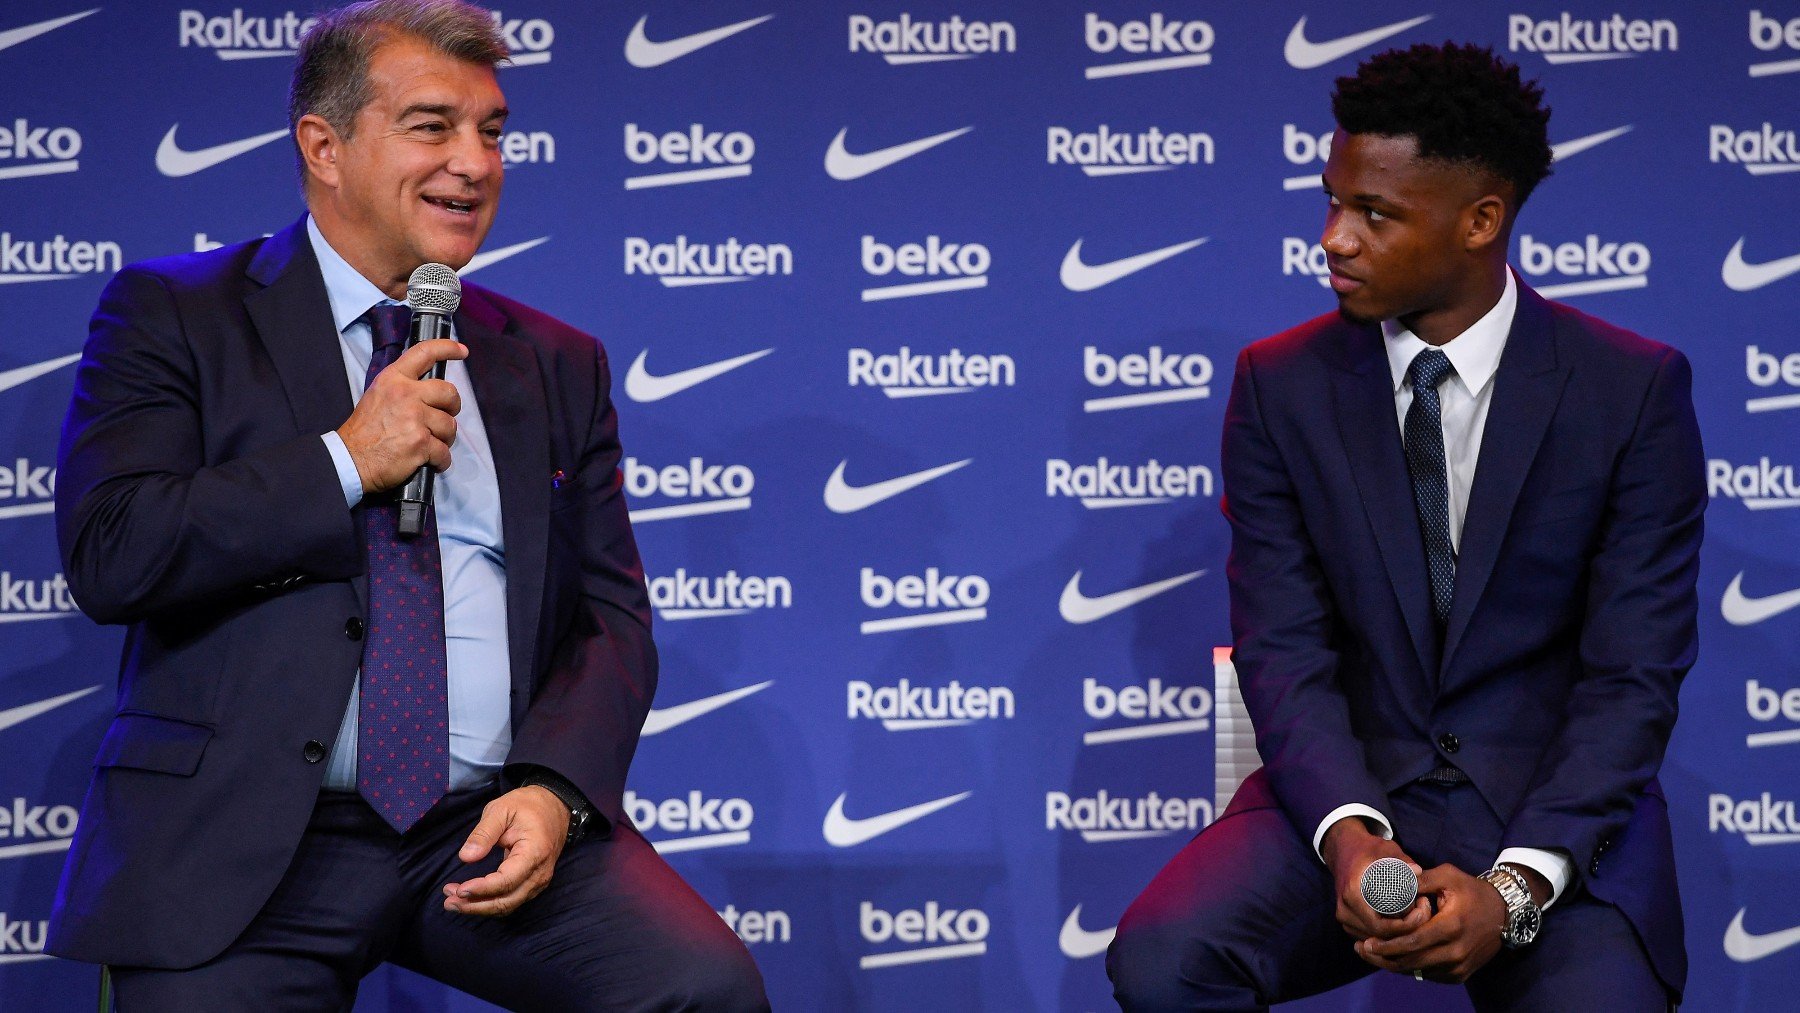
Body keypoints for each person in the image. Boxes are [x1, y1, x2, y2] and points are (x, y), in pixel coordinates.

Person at [47, 1, 768, 1008]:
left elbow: (610, 617)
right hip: (247, 836)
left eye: (492, 130)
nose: (474, 162)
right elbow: (114, 549)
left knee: (701, 986)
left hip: (470, 827)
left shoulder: (555, 361)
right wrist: (346, 458)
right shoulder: (175, 313)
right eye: (433, 125)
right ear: (325, 146)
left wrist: (555, 789)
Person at [1107, 42, 1702, 1011]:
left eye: (1375, 213)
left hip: (1551, 812)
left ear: (1481, 222)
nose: (1335, 238)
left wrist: (1512, 889)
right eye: (1332, 201)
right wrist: (1348, 831)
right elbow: (1283, 648)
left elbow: (1632, 676)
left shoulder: (1630, 391)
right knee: (1164, 958)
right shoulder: (1279, 387)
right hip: (1351, 790)